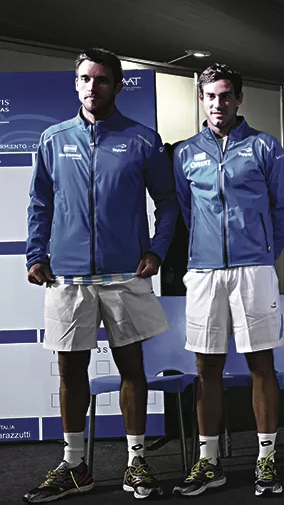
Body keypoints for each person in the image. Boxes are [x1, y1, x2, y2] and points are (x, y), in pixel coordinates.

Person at [24, 48, 178, 502]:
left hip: (125, 274)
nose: (93, 87)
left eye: (103, 80)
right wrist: (36, 254)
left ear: (117, 85)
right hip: (67, 276)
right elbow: (40, 204)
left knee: (133, 368)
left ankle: (137, 463)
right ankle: (74, 465)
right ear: (76, 84)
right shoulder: (53, 138)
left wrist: (156, 250)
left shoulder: (143, 139)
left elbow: (167, 203)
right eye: (86, 79)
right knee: (71, 370)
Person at [171, 63, 284, 497]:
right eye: (210, 96)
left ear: (239, 99)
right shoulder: (186, 152)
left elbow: (283, 208)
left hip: (254, 269)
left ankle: (265, 459)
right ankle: (209, 462)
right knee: (207, 367)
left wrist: (263, 252)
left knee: (262, 364)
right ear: (201, 101)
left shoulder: (265, 147)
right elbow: (187, 210)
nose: (218, 104)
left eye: (225, 95)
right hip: (204, 272)